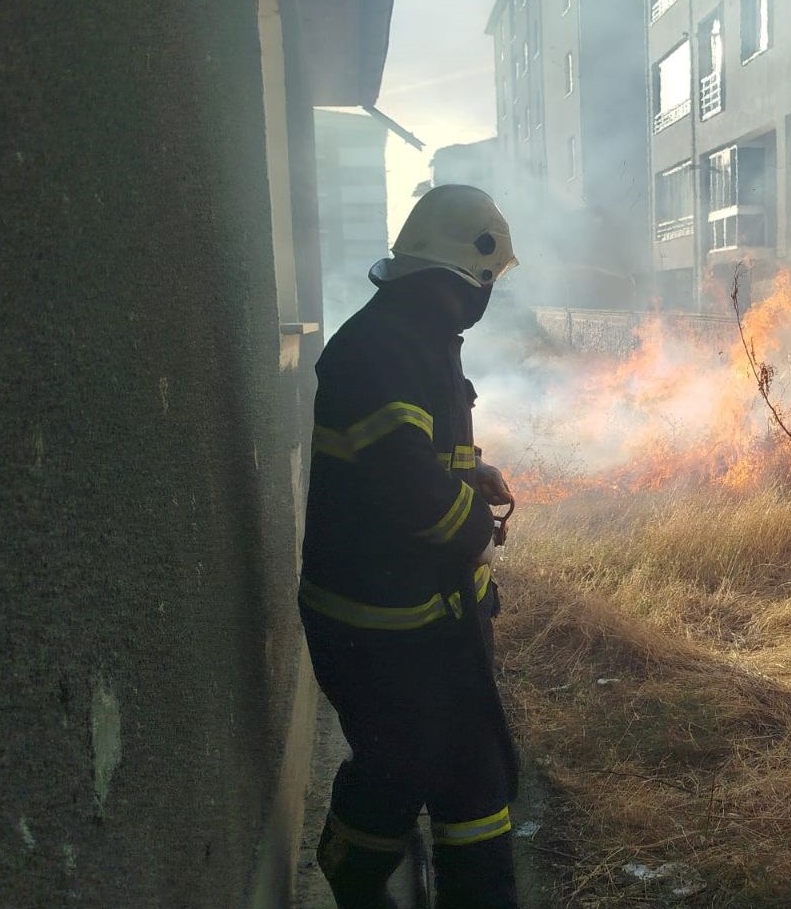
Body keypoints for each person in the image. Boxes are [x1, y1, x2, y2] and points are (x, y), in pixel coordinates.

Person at [299, 184, 520, 908]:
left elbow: (416, 451)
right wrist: (477, 533)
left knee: (475, 775)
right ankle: (353, 877)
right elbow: (406, 486)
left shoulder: (411, 336)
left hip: (427, 616)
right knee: (398, 770)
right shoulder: (379, 349)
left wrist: (472, 468)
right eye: (488, 282)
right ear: (466, 279)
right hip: (380, 627)